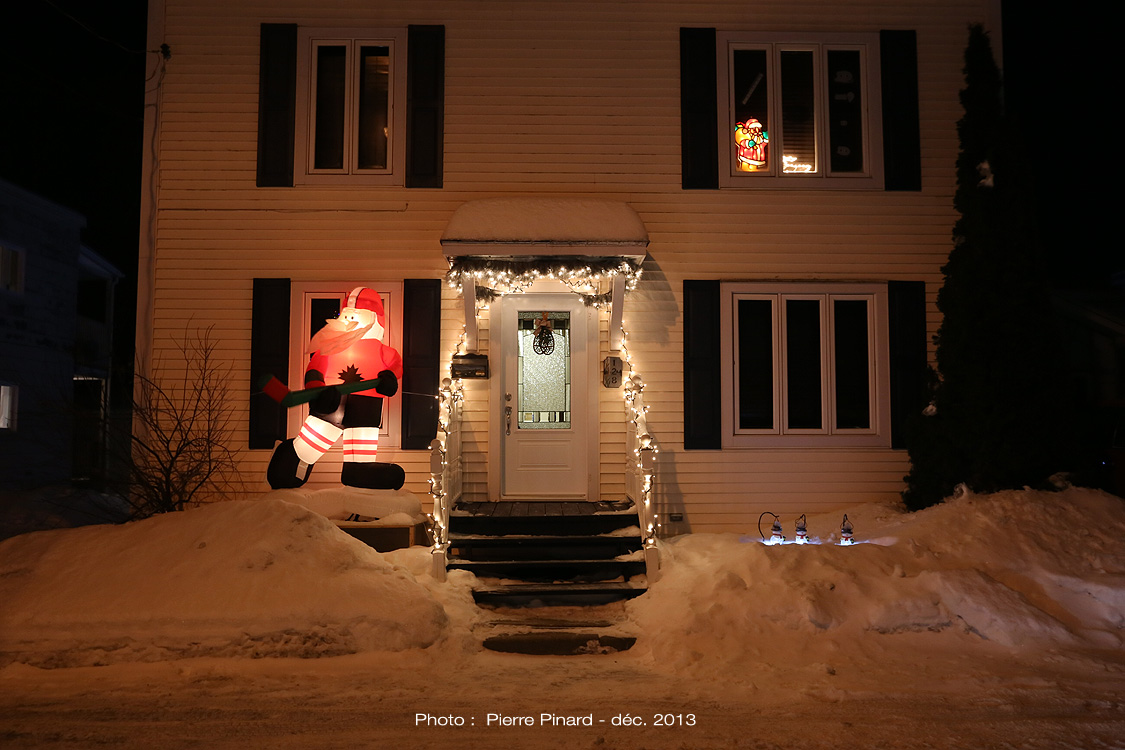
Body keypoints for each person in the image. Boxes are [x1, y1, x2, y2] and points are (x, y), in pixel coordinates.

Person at [266, 287, 405, 490]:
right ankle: (289, 463)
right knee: (306, 449)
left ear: (374, 318)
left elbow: (395, 368)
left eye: (357, 315)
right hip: (330, 403)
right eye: (347, 315)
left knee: (360, 457)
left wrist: (390, 379)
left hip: (366, 409)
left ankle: (359, 472)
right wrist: (317, 389)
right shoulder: (332, 346)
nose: (350, 320)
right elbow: (315, 369)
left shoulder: (384, 352)